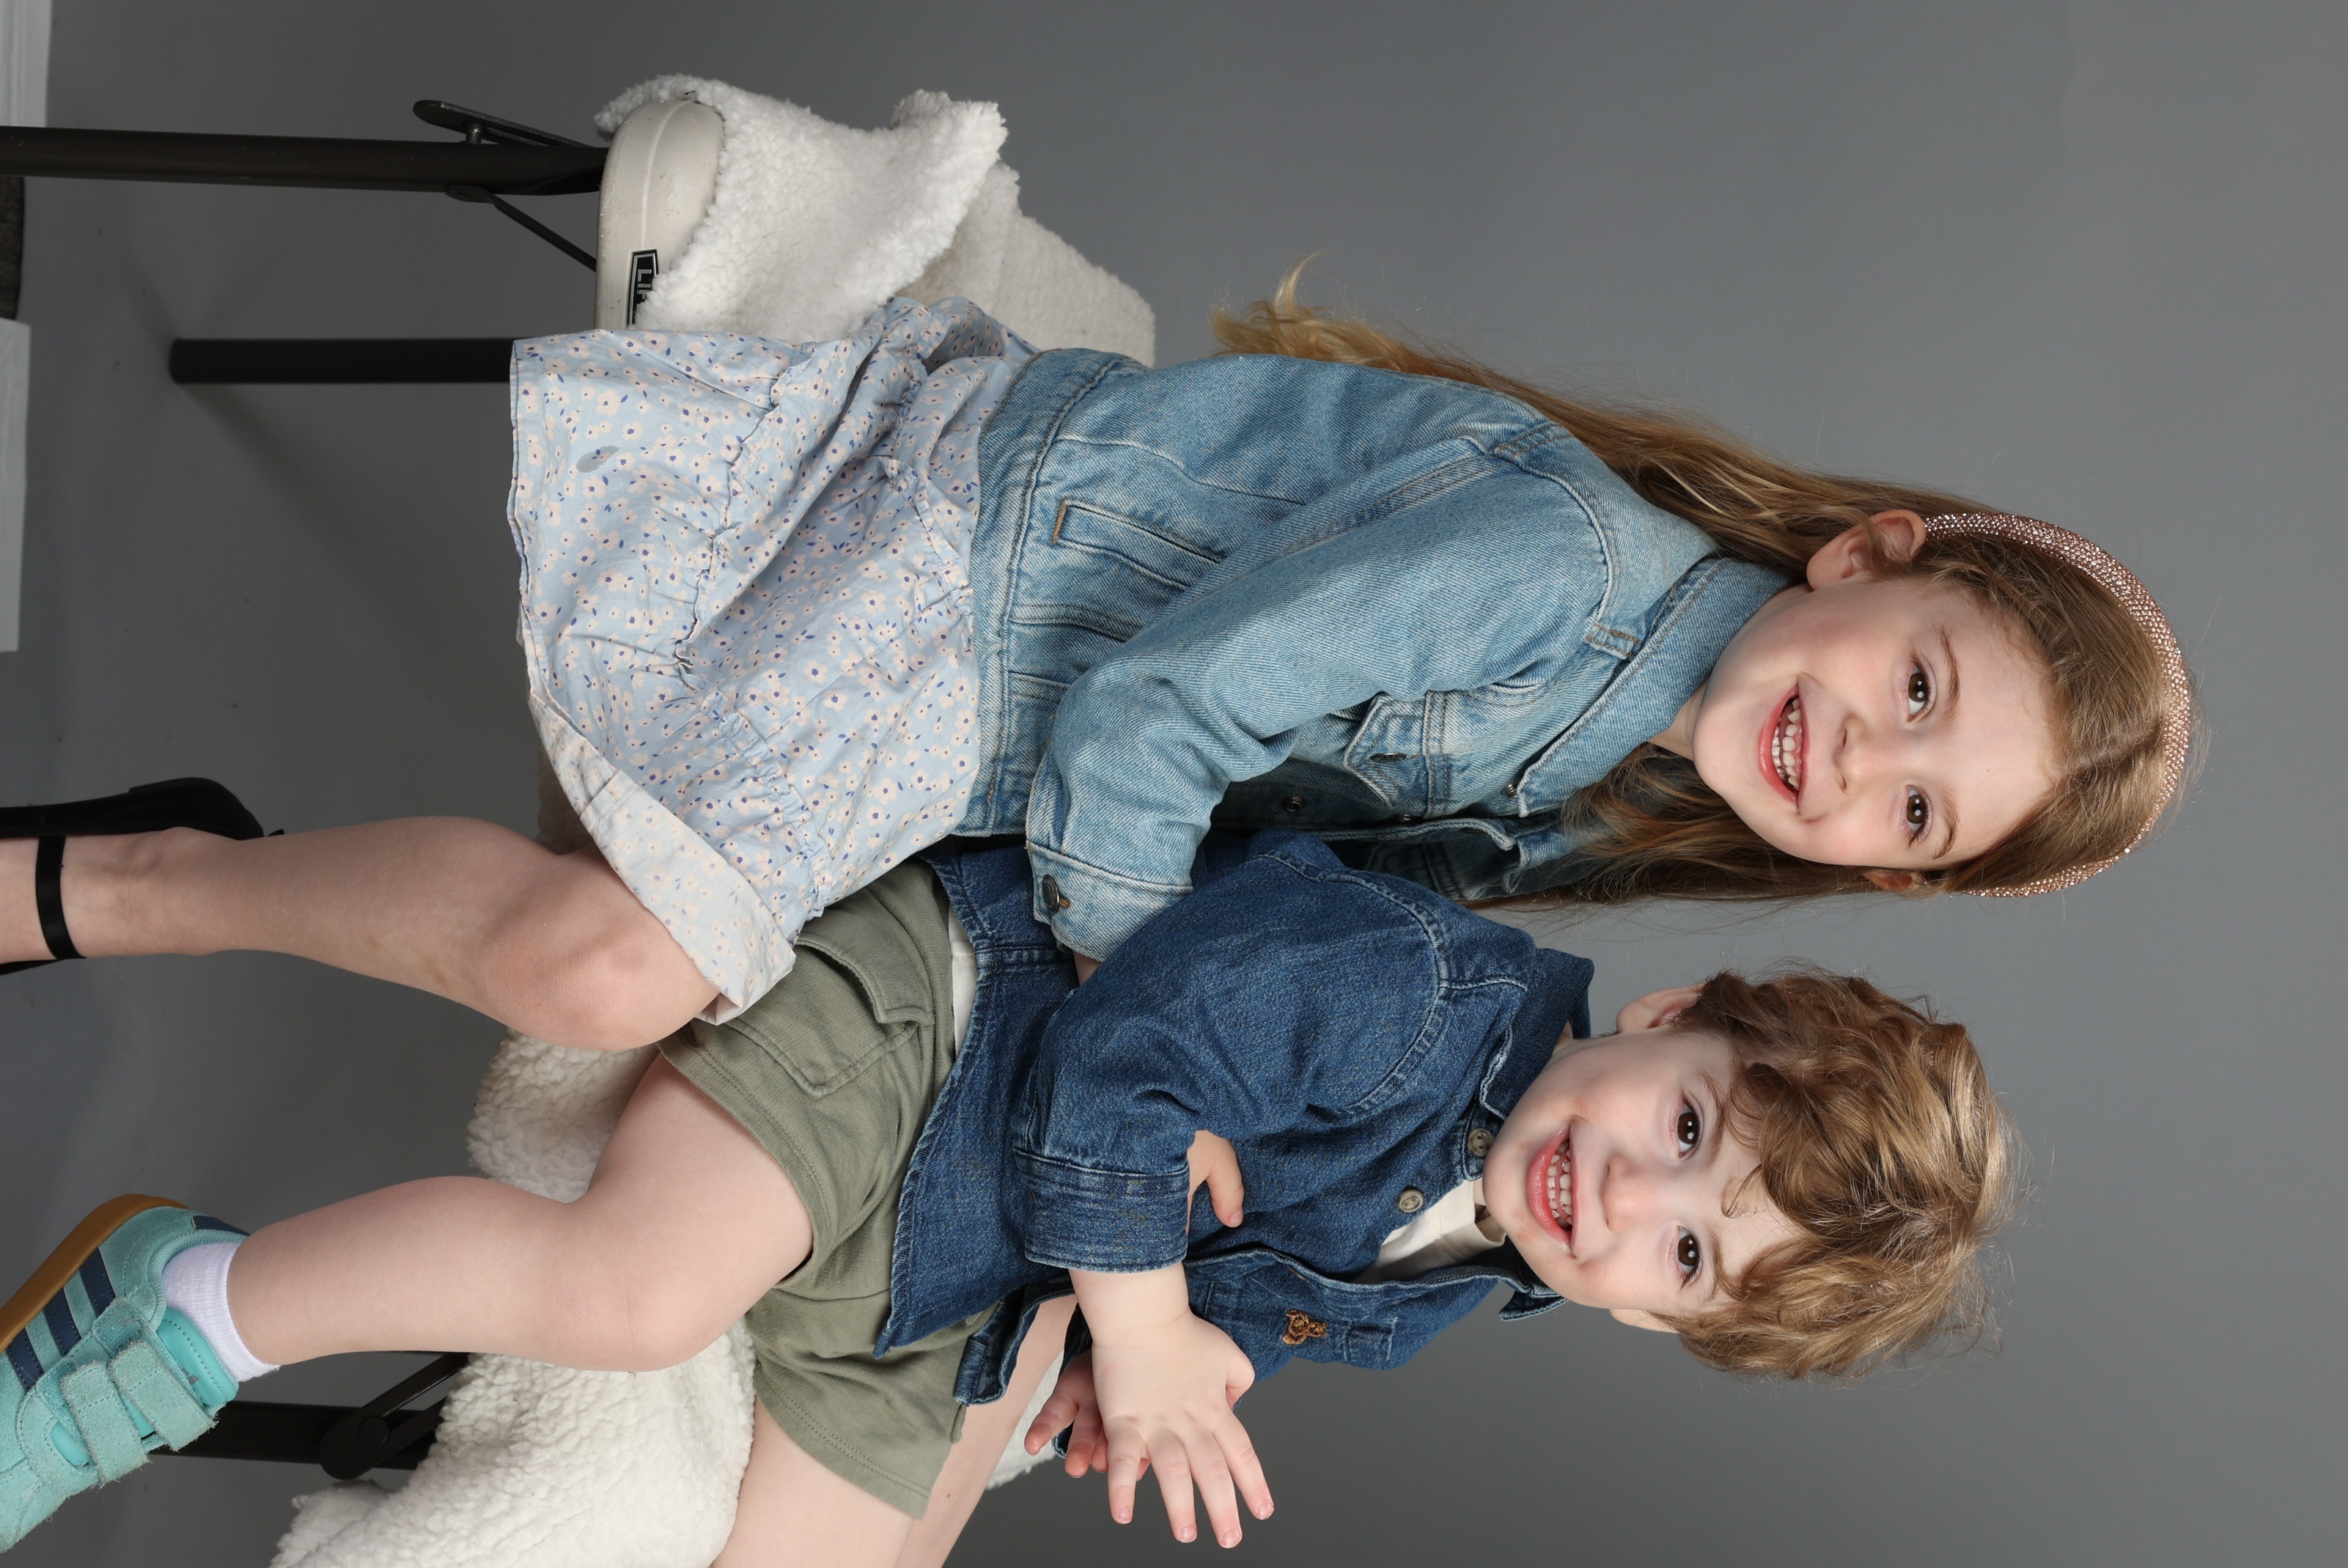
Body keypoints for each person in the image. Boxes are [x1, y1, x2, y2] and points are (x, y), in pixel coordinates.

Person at [0, 831, 2016, 1568]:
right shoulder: (1418, 996)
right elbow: (1125, 1059)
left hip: (956, 1270)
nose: (1629, 1201)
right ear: (1673, 1013)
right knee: (633, 1286)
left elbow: (1222, 1308)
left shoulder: (1462, 1279)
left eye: (1688, 1255)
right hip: (934, 1042)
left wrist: (1134, 1378)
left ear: (1662, 1329)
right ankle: (184, 1309)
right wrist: (1139, 1323)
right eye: (1687, 1127)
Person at [0, 276, 2195, 1035]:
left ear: (1884, 872)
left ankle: (183, 856)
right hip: (968, 568)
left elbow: (1290, 883)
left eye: (1923, 811)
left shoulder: (1599, 795)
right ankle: (128, 879)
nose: (1862, 762)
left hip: (1011, 732)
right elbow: (1159, 710)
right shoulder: (1555, 571)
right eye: (1921, 686)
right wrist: (1137, 995)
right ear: (1867, 558)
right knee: (611, 972)